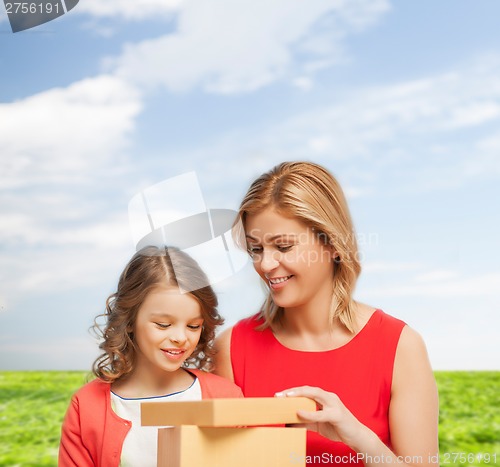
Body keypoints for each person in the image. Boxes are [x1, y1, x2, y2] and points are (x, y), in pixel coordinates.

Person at [214, 161, 439, 466]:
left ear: (333, 243)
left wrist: (359, 438)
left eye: (283, 246)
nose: (265, 265)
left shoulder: (399, 347)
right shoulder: (233, 348)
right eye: (256, 249)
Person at [59, 246, 243, 467]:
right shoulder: (87, 406)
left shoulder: (226, 396)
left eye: (193, 326)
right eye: (163, 325)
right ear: (129, 321)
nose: (180, 337)